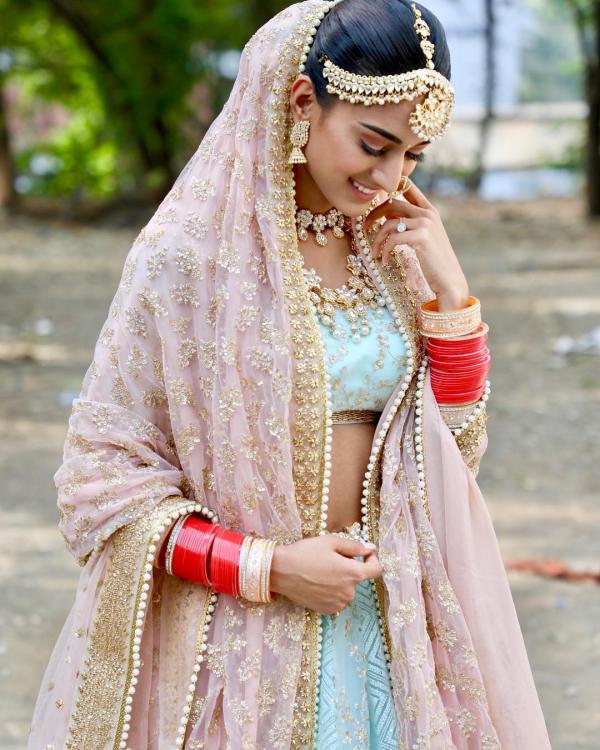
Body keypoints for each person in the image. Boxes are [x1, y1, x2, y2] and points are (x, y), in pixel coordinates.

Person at [27, 1, 552, 748]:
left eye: (413, 156)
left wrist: (451, 295)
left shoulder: (390, 256)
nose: (389, 177)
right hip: (240, 644)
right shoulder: (186, 262)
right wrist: (269, 568)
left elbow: (454, 453)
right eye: (373, 144)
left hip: (389, 624)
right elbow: (99, 483)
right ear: (304, 102)